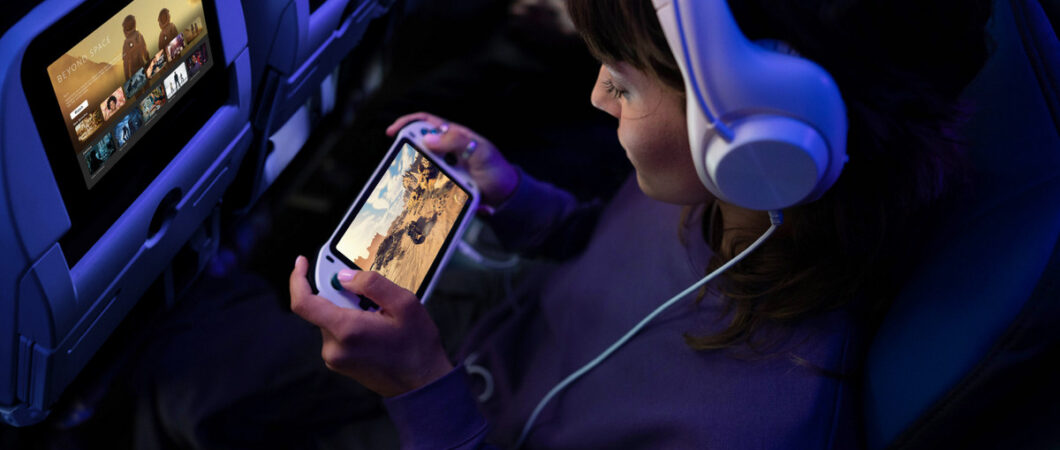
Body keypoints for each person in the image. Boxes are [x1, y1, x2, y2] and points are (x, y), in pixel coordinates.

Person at [289, 0, 994, 447]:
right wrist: (511, 193)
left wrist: (421, 390)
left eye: (622, 82)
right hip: (476, 360)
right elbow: (596, 248)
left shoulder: (749, 428)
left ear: (758, 134)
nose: (597, 96)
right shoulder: (726, 189)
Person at [121, 15, 149, 80]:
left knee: (139, 87)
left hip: (134, 70)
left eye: (128, 26)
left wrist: (127, 77)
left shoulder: (126, 43)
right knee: (146, 84)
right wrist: (148, 59)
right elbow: (144, 50)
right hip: (141, 65)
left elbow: (126, 63)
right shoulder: (138, 35)